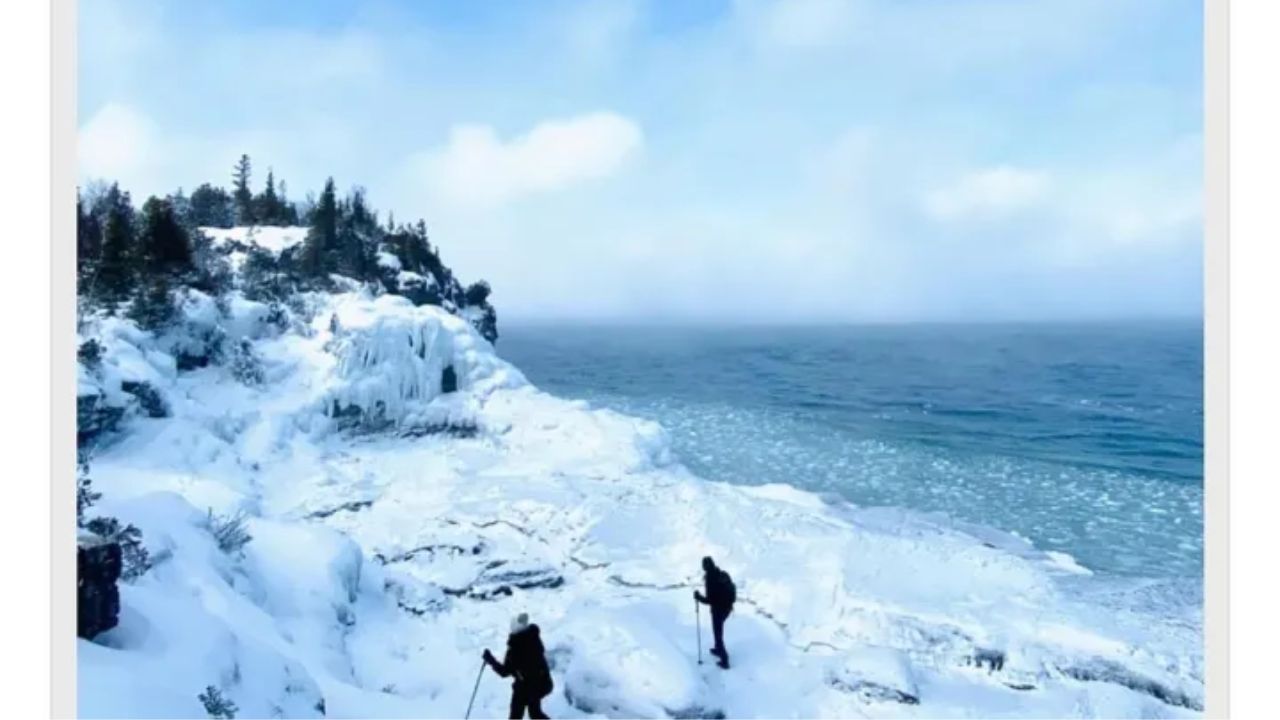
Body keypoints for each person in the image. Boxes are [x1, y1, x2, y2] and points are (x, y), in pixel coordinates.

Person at [483, 613, 554, 719]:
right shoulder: (533, 638)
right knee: (535, 713)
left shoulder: (515, 647)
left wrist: (490, 659)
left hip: (525, 688)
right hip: (541, 683)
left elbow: (504, 671)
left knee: (517, 716)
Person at [694, 556, 736, 669]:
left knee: (718, 634)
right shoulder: (720, 573)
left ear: (705, 567)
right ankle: (718, 649)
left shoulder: (711, 579)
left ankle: (724, 660)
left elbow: (709, 600)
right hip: (727, 608)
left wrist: (698, 597)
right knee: (718, 631)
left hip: (718, 610)